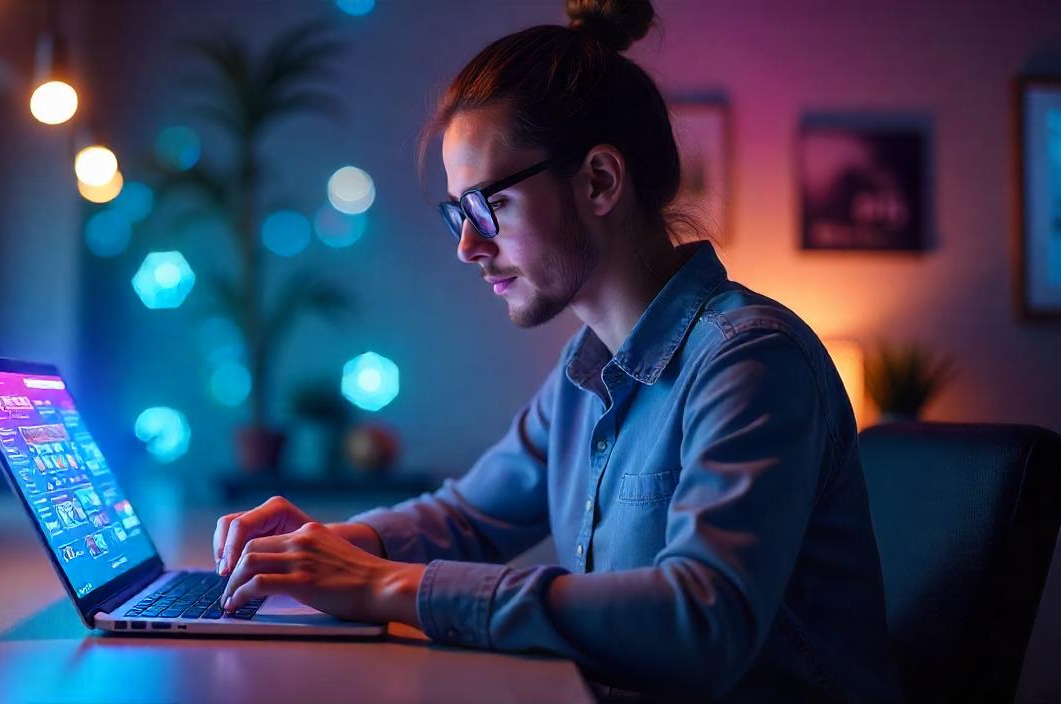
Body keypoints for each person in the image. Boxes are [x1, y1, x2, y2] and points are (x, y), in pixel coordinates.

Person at [211, 1, 899, 700]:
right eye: (458, 213)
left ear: (600, 181)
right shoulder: (585, 373)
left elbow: (701, 623)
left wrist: (388, 586)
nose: (468, 247)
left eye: (489, 206)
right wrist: (333, 546)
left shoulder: (751, 362)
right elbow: (469, 518)